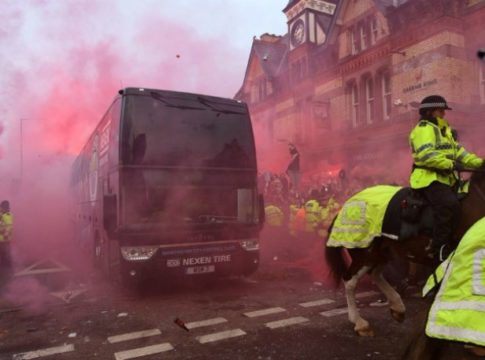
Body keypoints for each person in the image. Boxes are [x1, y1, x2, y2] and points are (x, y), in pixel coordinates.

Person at [409, 95, 483, 261]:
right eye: (440, 110)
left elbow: (460, 153)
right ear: (429, 112)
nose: (443, 114)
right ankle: (439, 248)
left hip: (447, 179)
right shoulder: (423, 129)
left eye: (444, 111)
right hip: (428, 178)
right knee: (448, 204)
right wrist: (450, 164)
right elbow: (426, 155)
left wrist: (480, 164)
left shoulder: (445, 131)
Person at [0, 200, 14, 275]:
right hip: (7, 239)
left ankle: (5, 273)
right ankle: (8, 271)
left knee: (4, 256)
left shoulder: (4, 216)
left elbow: (5, 228)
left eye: (1, 207)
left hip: (3, 240)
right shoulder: (9, 215)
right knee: (6, 256)